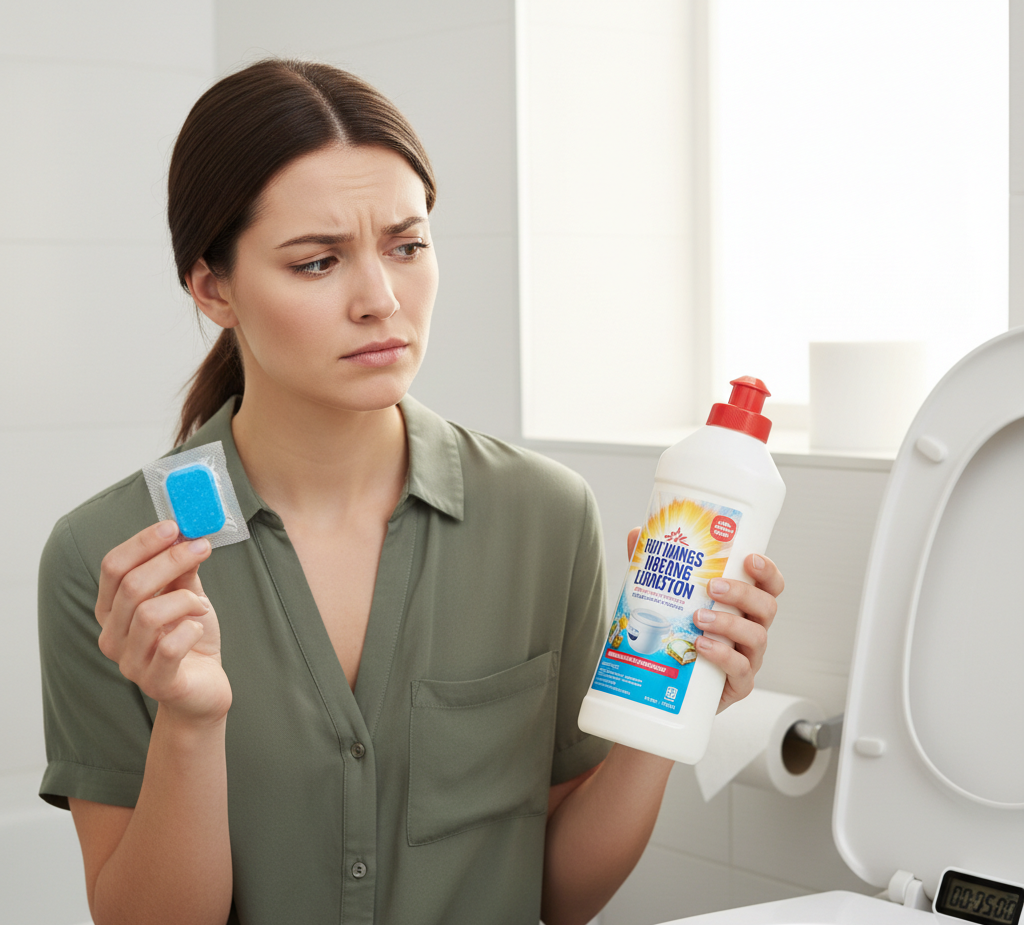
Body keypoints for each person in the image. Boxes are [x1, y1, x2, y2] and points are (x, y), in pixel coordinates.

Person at [37, 59, 784, 925]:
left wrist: (674, 698)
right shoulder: (113, 558)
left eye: (407, 244)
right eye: (317, 263)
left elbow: (563, 896)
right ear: (213, 287)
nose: (382, 299)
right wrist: (189, 721)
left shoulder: (544, 518)